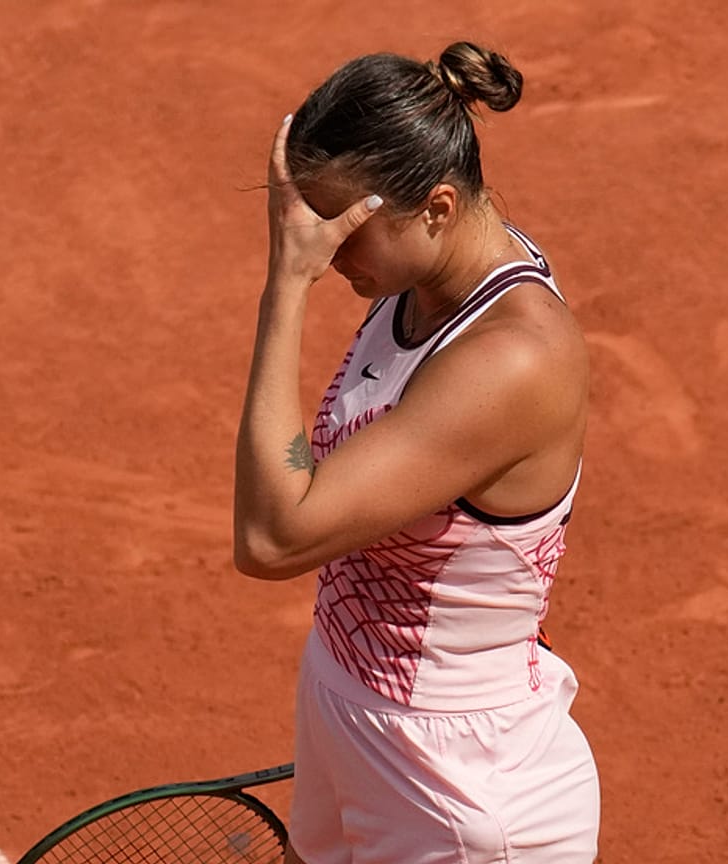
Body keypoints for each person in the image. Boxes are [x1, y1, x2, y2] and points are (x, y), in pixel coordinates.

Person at [232, 41, 599, 864]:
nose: (324, 255)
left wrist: (284, 286)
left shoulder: (513, 360)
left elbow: (272, 537)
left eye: (342, 231)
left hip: (458, 783)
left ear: (436, 208)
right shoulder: (429, 277)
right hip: (346, 706)